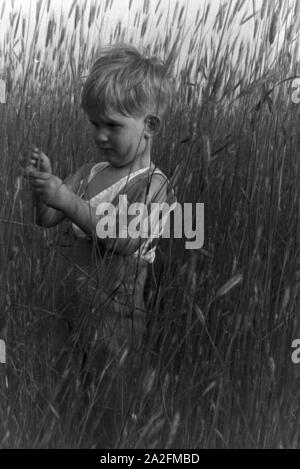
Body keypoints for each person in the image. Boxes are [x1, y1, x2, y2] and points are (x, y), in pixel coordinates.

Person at [26, 43, 177, 445]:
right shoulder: (89, 172)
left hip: (116, 322)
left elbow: (125, 240)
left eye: (112, 125)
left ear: (150, 126)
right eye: (94, 124)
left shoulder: (154, 185)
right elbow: (47, 219)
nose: (100, 135)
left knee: (113, 400)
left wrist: (66, 199)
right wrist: (44, 189)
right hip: (69, 309)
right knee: (69, 394)